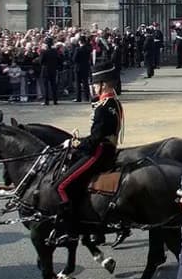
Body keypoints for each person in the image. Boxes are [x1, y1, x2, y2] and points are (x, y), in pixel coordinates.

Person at [50, 61, 122, 245]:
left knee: (61, 186)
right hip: (106, 147)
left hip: (99, 151)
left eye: (96, 83)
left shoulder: (104, 106)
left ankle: (70, 229)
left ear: (104, 84)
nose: (94, 86)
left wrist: (75, 143)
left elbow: (96, 138)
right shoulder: (113, 102)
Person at [40, 41, 61, 106]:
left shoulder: (44, 52)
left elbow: (41, 61)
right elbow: (59, 60)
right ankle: (55, 100)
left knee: (45, 86)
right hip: (53, 69)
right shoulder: (55, 52)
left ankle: (46, 101)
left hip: (45, 70)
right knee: (53, 85)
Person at [73, 35, 92, 102]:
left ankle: (78, 98)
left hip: (78, 67)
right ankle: (86, 97)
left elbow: (74, 59)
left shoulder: (78, 49)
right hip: (85, 67)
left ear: (80, 41)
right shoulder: (88, 49)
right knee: (85, 83)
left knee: (78, 83)